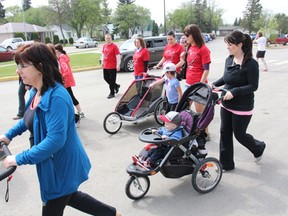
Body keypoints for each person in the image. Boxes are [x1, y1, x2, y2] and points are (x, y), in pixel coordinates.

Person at [0, 43, 121, 216]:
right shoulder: (36, 91)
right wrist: (8, 135)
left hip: (61, 165)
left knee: (55, 202)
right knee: (70, 196)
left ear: (40, 66)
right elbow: (28, 119)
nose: (18, 71)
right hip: (52, 163)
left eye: (22, 66)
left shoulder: (57, 96)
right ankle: (113, 214)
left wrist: (18, 158)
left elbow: (54, 141)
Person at [212, 30, 266, 172]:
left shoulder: (251, 64)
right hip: (226, 102)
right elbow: (226, 78)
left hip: (243, 106)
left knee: (240, 135)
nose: (227, 47)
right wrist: (213, 84)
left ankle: (258, 147)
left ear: (239, 44)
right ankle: (226, 164)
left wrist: (235, 92)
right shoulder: (229, 59)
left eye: (230, 44)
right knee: (225, 133)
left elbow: (253, 86)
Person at [183, 24, 211, 140]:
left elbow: (206, 70)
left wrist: (200, 84)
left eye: (187, 35)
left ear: (193, 35)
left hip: (199, 86)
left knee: (200, 112)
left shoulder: (203, 49)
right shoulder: (189, 47)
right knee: (183, 109)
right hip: (188, 84)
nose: (185, 37)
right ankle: (186, 131)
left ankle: (206, 132)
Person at [54, 44, 84, 119]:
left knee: (70, 97)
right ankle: (79, 111)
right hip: (65, 81)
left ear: (58, 51)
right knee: (70, 97)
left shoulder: (62, 59)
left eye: (55, 52)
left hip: (65, 82)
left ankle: (79, 112)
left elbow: (66, 70)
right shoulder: (62, 58)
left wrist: (62, 78)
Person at [102, 34, 121, 99]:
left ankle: (112, 93)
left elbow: (118, 56)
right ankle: (116, 86)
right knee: (106, 78)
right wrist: (102, 62)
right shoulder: (104, 46)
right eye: (107, 38)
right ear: (105, 39)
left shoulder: (114, 46)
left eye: (109, 38)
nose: (108, 39)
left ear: (111, 38)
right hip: (106, 65)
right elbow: (103, 54)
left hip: (112, 66)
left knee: (112, 80)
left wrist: (118, 65)